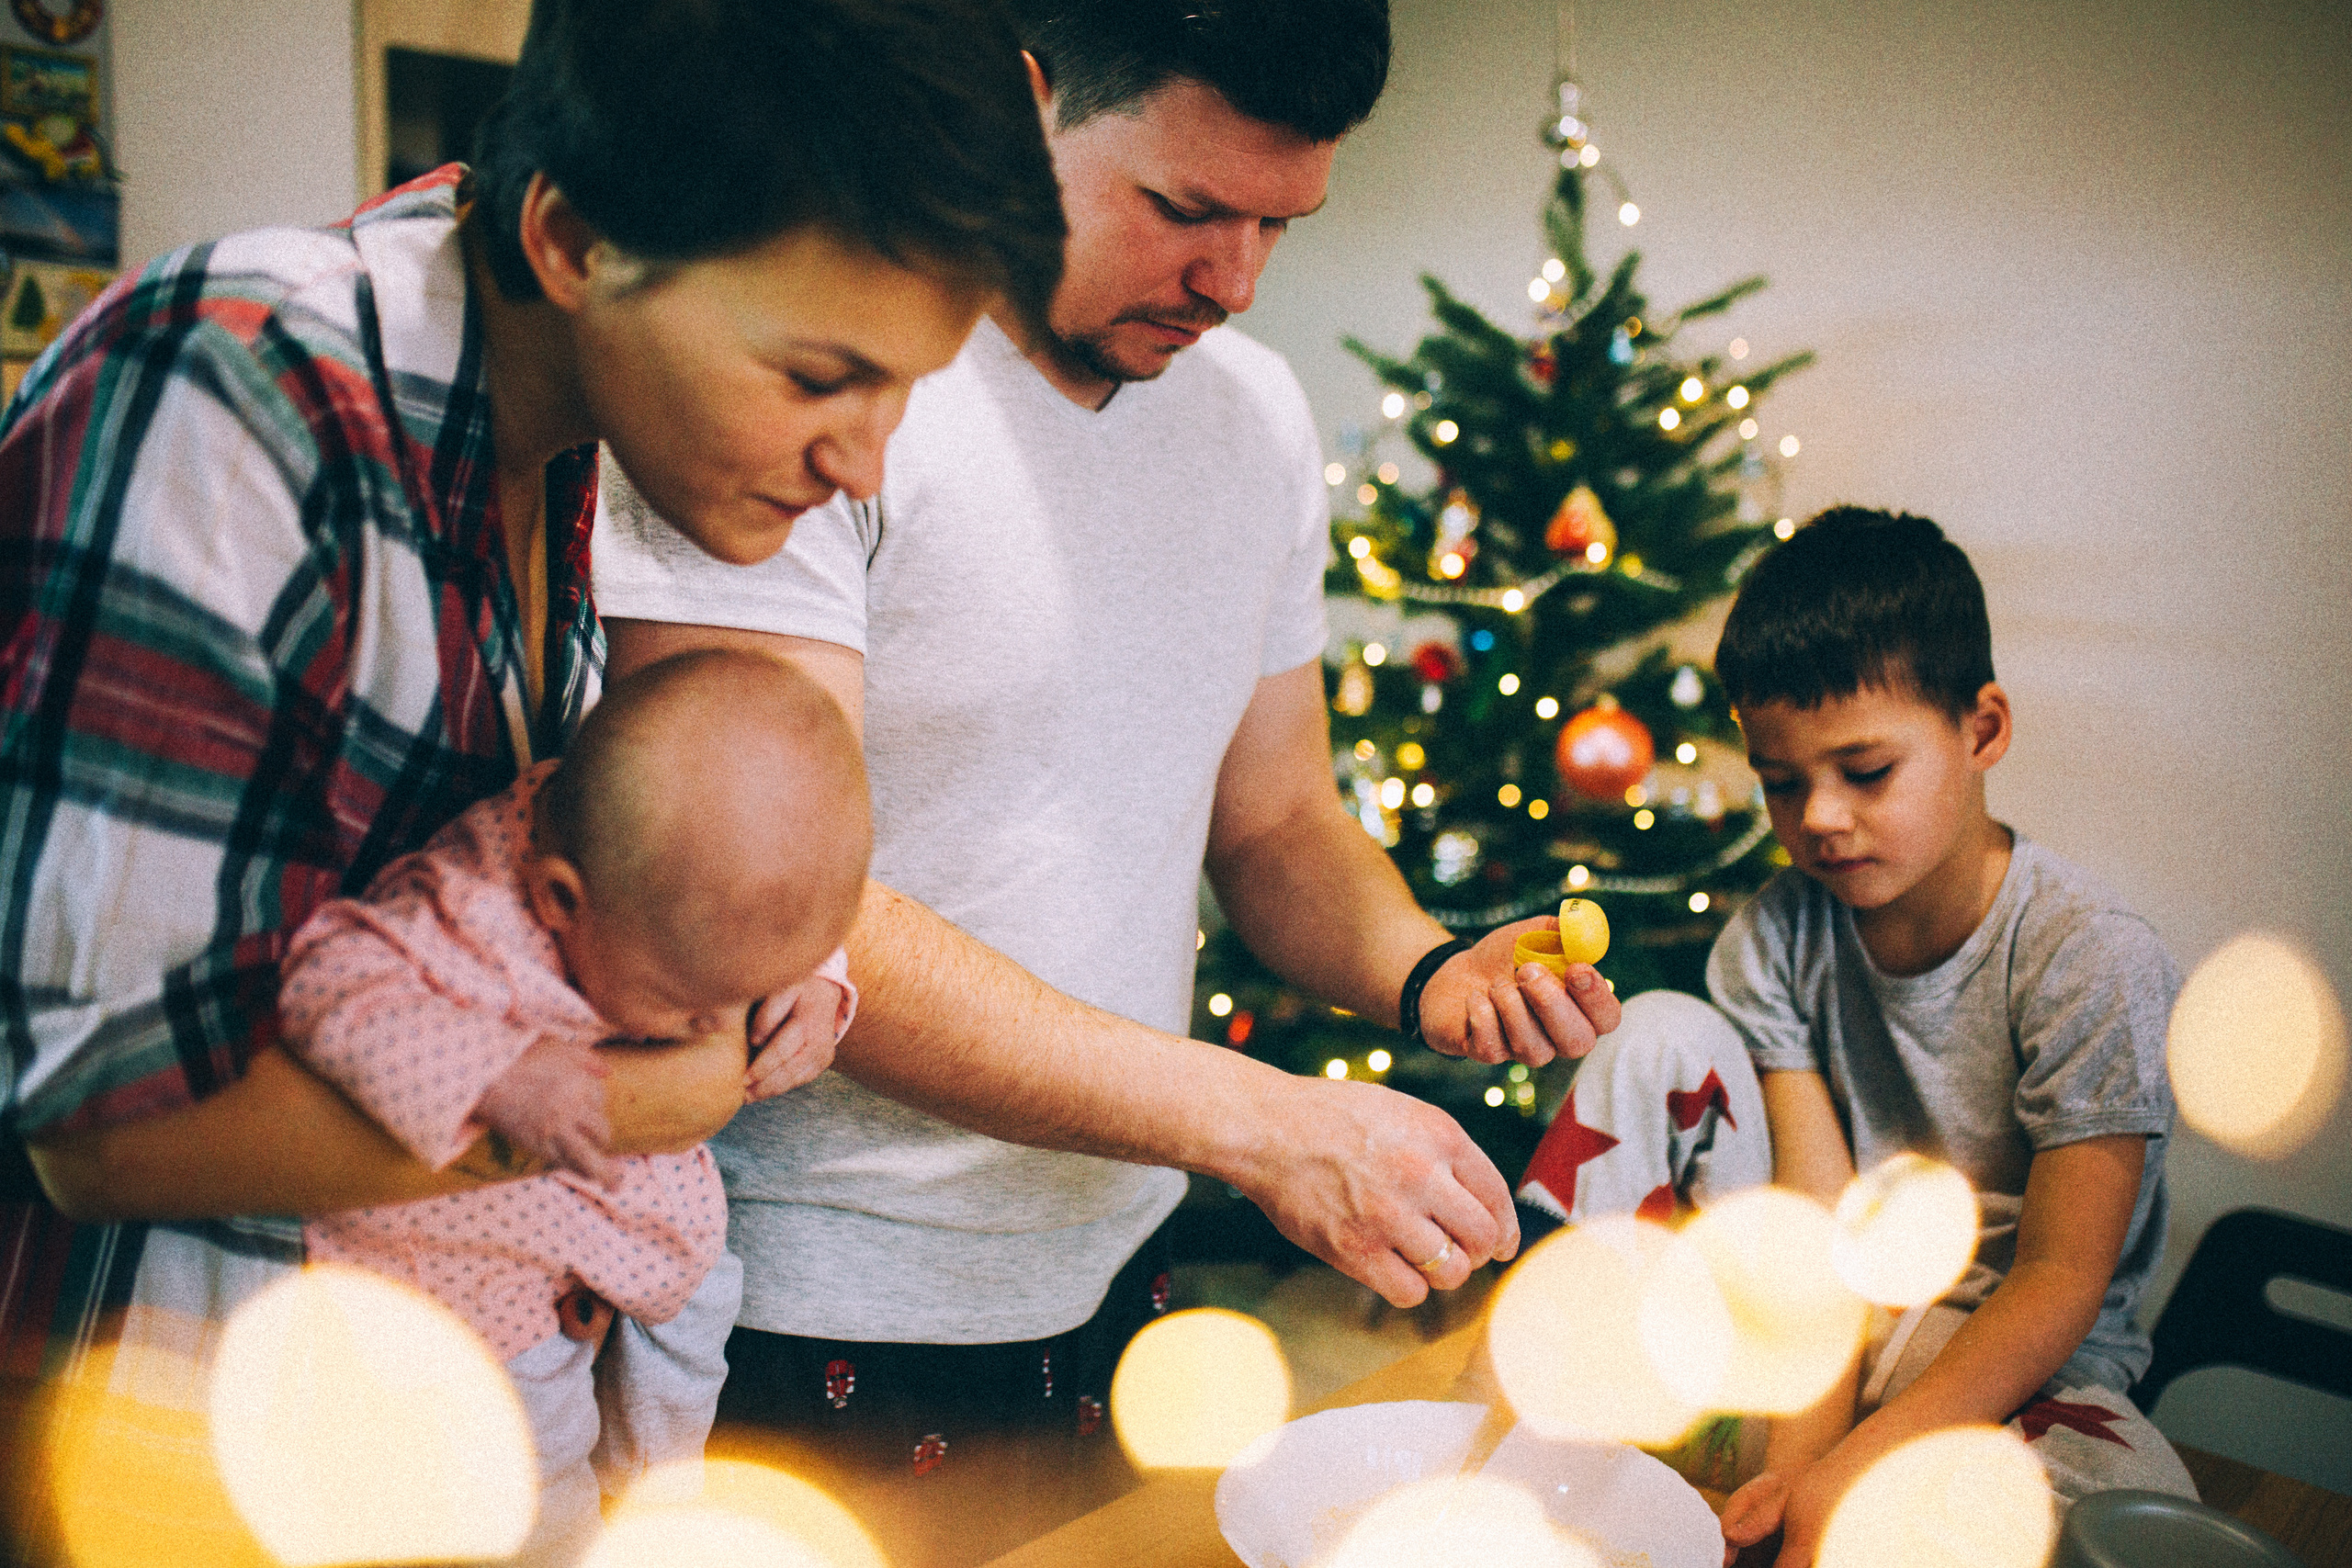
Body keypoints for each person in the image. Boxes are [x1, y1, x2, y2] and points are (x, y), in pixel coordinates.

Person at [0, 0, 1060, 1550]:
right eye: (820, 375)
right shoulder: (237, 388)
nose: (864, 463)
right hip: (164, 1447)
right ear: (571, 239)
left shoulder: (558, 442)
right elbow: (97, 1119)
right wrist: (659, 1095)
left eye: (902, 389)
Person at [592, 2, 1620, 1557]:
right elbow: (764, 904)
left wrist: (1422, 970)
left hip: (1119, 1280)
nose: (1236, 281)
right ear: (1024, 102)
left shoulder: (1259, 421)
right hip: (802, 1298)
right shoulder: (827, 385)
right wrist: (1263, 1125)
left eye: (1281, 221)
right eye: (1186, 209)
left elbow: (1275, 817)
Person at [1510, 508, 2194, 1566]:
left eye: (1864, 773)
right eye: (1781, 782)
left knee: (2129, 1500)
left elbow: (2060, 1279)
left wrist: (1860, 1469)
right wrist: (1799, 1466)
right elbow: (1809, 1233)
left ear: (1982, 730)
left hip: (2000, 1358)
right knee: (1655, 1032)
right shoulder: (1774, 937)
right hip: (1799, 1321)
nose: (1818, 817)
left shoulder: (2090, 961)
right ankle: (1562, 1424)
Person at [280, 649, 866, 1562]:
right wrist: (498, 1072)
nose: (716, 1029)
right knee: (533, 1485)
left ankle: (659, 1500)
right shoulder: (470, 910)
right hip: (474, 1284)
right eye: (689, 1004)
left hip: (624, 1230)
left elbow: (755, 924)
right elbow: (326, 982)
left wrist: (819, 986)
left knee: (703, 1306)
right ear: (561, 901)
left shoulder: (667, 874)